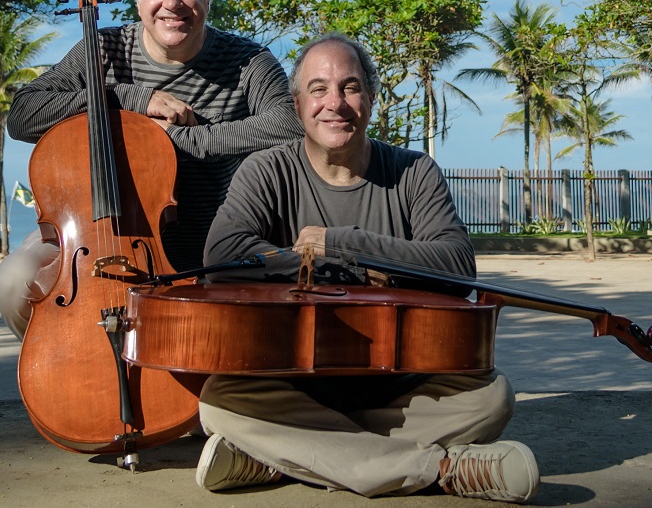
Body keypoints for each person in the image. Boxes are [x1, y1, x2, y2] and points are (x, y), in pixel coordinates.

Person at [197, 32, 539, 503]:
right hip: (293, 385)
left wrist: (344, 244)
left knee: (492, 396)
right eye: (318, 89)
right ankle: (441, 468)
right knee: (219, 399)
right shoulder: (265, 168)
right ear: (297, 106)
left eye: (350, 87)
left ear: (371, 100)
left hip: (399, 388)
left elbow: (458, 264)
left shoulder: (414, 172)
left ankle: (286, 456)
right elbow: (223, 256)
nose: (334, 103)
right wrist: (316, 264)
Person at [0, 0, 303, 340]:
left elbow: (290, 125)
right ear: (138, 0)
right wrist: (125, 98)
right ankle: (70, 378)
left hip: (206, 245)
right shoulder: (104, 49)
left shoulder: (247, 61)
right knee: (13, 282)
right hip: (97, 238)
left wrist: (188, 140)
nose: (171, 3)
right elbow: (23, 114)